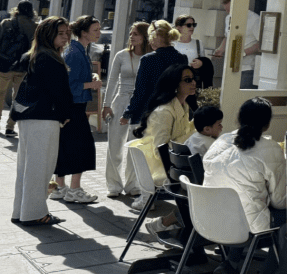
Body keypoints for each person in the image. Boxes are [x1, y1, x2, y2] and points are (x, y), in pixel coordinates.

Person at [203, 98, 287, 274]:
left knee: (245, 205)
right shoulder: (272, 149)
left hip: (209, 218)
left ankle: (231, 265)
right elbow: (280, 201)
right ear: (267, 124)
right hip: (244, 226)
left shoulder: (221, 141)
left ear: (239, 119)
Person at [10, 17, 73, 226]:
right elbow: (59, 92)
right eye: (61, 33)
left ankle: (22, 211)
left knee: (27, 168)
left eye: (67, 33)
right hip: (44, 118)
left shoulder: (36, 55)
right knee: (40, 168)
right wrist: (66, 114)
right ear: (49, 34)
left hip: (30, 117)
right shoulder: (50, 58)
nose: (66, 37)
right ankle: (35, 213)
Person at [135, 63, 197, 237]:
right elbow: (160, 149)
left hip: (173, 165)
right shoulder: (165, 111)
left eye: (194, 79)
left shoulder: (183, 106)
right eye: (187, 80)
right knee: (204, 187)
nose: (193, 83)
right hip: (160, 168)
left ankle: (179, 228)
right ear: (174, 84)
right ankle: (171, 226)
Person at [51, 15, 102, 204]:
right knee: (82, 147)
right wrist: (91, 84)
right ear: (84, 32)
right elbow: (70, 85)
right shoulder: (75, 52)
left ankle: (61, 187)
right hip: (73, 106)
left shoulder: (77, 50)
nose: (99, 33)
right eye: (95, 30)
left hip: (71, 106)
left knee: (66, 146)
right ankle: (74, 189)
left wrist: (90, 80)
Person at [101, 21, 150, 197]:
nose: (132, 36)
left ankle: (132, 184)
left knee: (134, 145)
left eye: (136, 33)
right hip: (120, 101)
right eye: (131, 33)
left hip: (141, 104)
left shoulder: (151, 57)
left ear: (145, 36)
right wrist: (106, 105)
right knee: (115, 144)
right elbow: (112, 81)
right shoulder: (121, 56)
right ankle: (113, 185)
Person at [0, 0, 37, 137]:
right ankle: (10, 126)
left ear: (17, 10)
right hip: (22, 67)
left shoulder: (6, 23)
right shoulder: (35, 27)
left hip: (4, 65)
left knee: (0, 94)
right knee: (18, 98)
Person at [212, 0, 260, 89]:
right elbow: (228, 36)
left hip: (247, 69)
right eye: (227, 10)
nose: (229, 13)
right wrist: (221, 49)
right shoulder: (228, 18)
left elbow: (261, 43)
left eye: (230, 10)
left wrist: (242, 53)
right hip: (230, 68)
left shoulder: (254, 19)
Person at [173, 14, 213, 89]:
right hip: (177, 82)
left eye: (193, 25)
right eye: (188, 25)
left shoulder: (198, 43)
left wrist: (201, 63)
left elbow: (204, 63)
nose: (192, 27)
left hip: (194, 82)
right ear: (179, 27)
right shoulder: (172, 44)